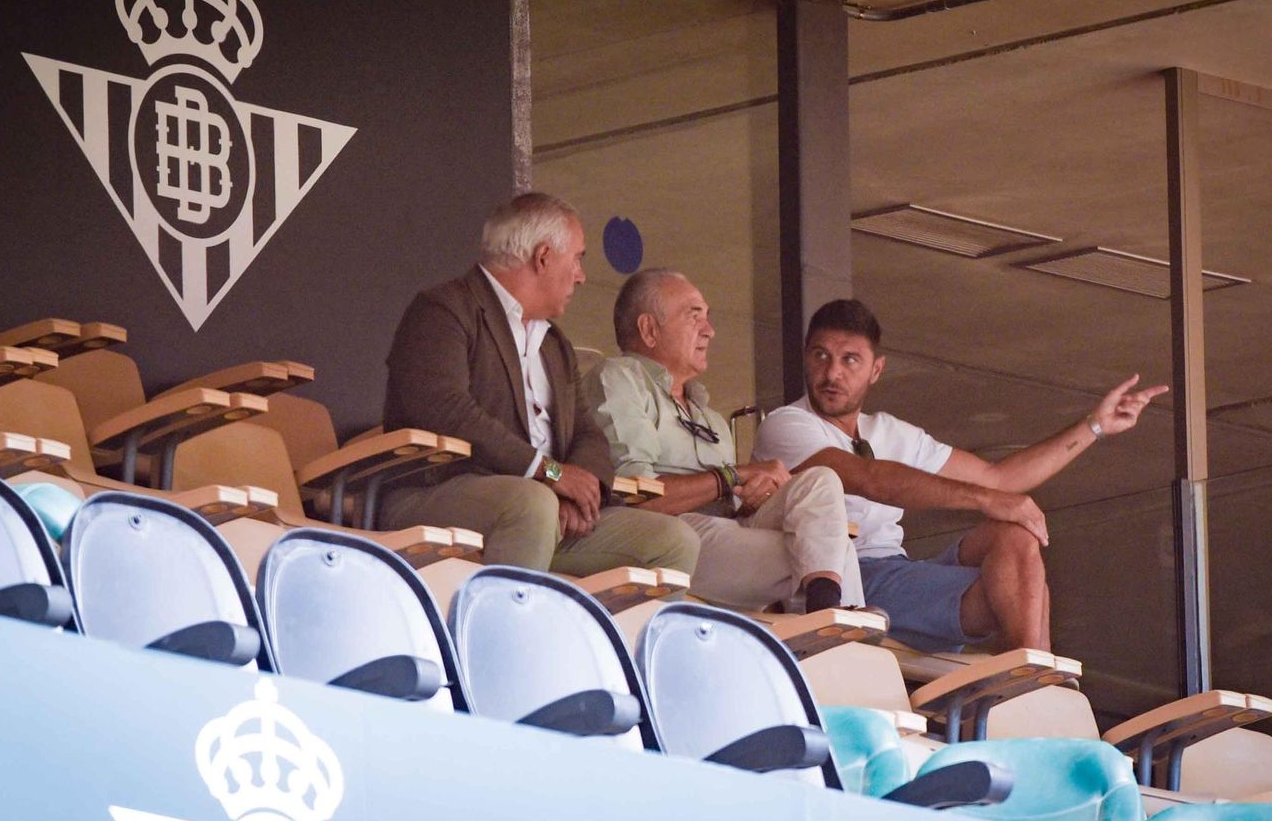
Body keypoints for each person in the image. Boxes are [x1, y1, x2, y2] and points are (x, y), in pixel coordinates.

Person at [753, 298, 1167, 652]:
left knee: (1014, 535)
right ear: (806, 355)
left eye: (850, 360)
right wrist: (988, 501)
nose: (832, 373)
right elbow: (870, 478)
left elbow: (1000, 479)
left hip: (897, 572)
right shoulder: (787, 424)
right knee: (1012, 571)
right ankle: (1032, 692)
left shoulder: (891, 431)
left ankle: (1030, 675)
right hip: (844, 576)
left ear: (876, 370)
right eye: (820, 355)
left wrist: (1094, 426)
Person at [379, 193, 700, 577]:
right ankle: (502, 635)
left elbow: (588, 433)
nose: (582, 275)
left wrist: (576, 494)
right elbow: (445, 409)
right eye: (578, 257)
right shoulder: (444, 309)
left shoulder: (554, 343)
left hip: (544, 508)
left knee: (675, 541)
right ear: (543, 256)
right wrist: (548, 474)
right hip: (437, 495)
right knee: (532, 504)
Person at [588, 269, 862, 613]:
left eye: (708, 318)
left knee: (822, 482)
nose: (709, 330)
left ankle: (830, 620)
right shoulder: (619, 377)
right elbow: (639, 496)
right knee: (824, 553)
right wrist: (731, 477)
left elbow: (730, 505)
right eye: (694, 317)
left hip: (724, 530)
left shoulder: (710, 417)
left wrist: (752, 498)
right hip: (667, 534)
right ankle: (832, 627)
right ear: (649, 330)